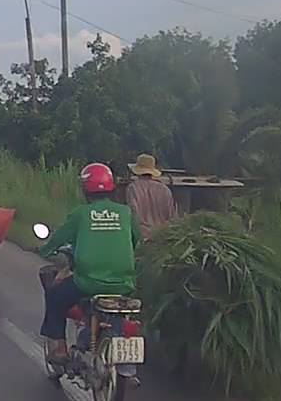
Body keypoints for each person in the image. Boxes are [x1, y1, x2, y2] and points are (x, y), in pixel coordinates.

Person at [36, 162, 140, 364]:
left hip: (88, 282)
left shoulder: (81, 214)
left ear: (85, 189)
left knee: (54, 296)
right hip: (123, 284)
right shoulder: (126, 212)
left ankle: (59, 349)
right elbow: (136, 240)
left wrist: (44, 250)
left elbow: (59, 238)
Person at [125, 153, 176, 238]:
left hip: (142, 236)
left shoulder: (133, 188)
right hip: (162, 236)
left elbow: (133, 214)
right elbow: (171, 217)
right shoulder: (164, 189)